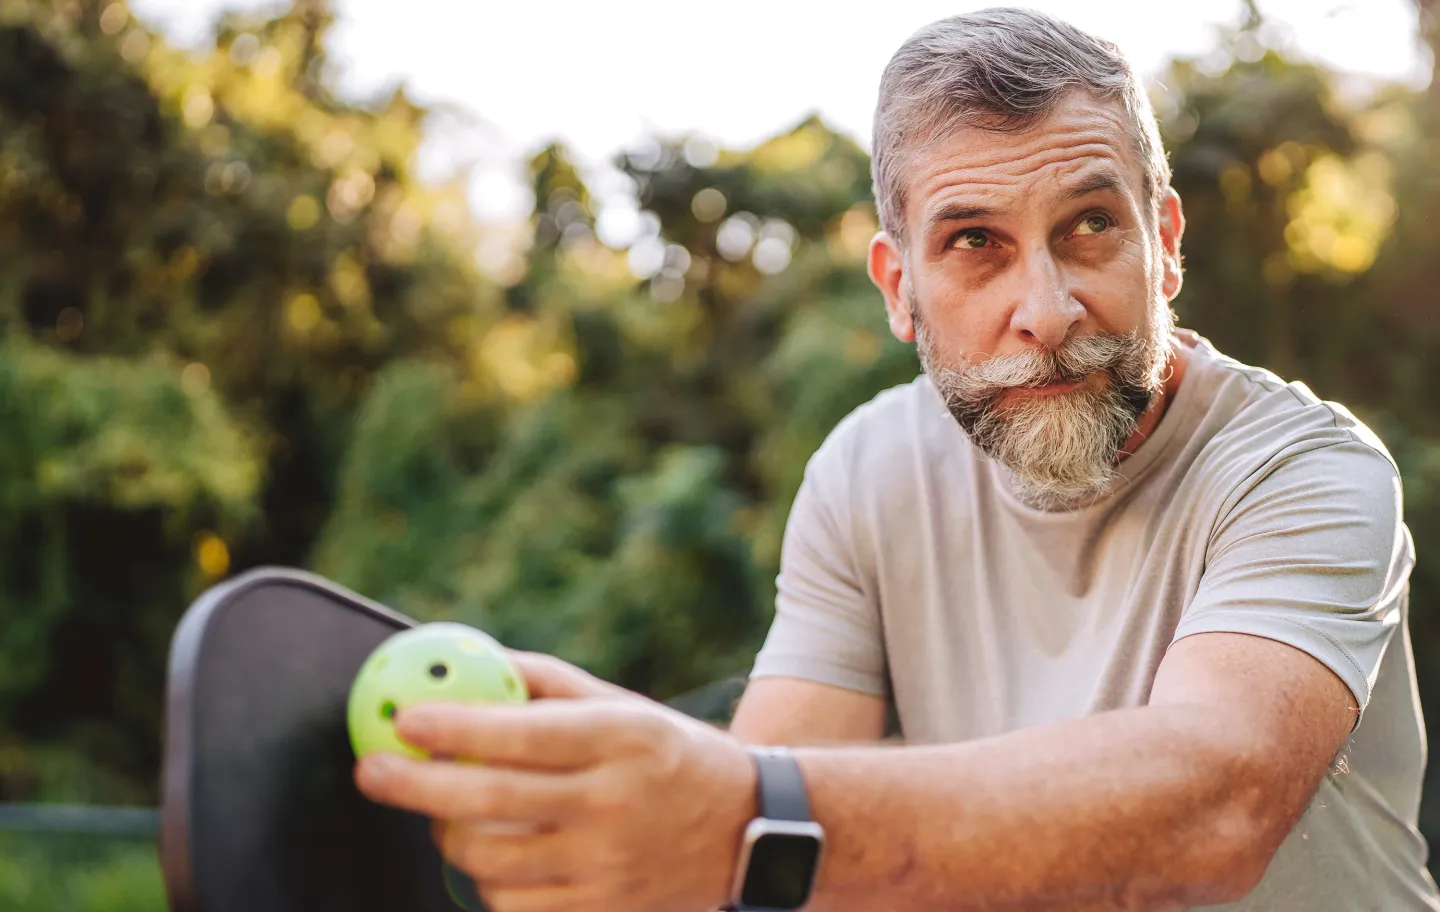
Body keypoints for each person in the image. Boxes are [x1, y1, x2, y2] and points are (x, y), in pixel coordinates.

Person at [354, 8, 1439, 911]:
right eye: (975, 243)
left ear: (1166, 244)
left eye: (1091, 225)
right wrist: (614, 799)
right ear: (898, 288)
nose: (1047, 313)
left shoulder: (1309, 471)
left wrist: (726, 814)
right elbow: (767, 810)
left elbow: (1217, 802)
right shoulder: (867, 469)